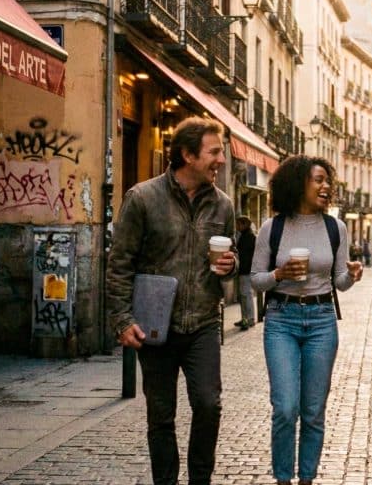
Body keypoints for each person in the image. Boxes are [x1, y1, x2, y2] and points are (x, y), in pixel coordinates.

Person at [107, 117, 237, 485]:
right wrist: (121, 319)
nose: (221, 160)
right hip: (155, 326)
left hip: (203, 325)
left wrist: (230, 265)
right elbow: (119, 264)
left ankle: (200, 480)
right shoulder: (143, 198)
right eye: (214, 152)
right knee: (161, 416)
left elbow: (230, 261)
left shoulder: (222, 206)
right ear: (187, 154)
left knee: (208, 406)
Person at [250, 155, 364, 485]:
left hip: (322, 320)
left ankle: (307, 479)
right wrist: (279, 273)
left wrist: (352, 274)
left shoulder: (335, 228)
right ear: (298, 183)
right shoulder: (273, 228)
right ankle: (283, 479)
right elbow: (256, 279)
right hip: (281, 319)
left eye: (328, 180)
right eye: (318, 180)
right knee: (285, 407)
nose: (326, 186)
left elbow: (339, 280)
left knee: (313, 411)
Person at [234, 215, 257, 330]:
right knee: (243, 295)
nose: (236, 226)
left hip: (246, 270)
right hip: (243, 270)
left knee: (246, 295)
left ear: (244, 224)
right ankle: (245, 318)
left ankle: (250, 319)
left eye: (238, 224)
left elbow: (248, 257)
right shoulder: (243, 236)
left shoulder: (249, 237)